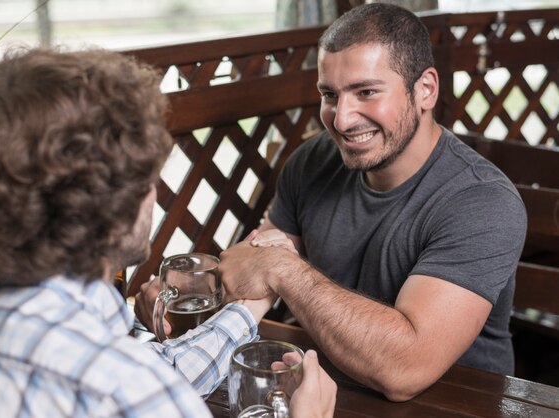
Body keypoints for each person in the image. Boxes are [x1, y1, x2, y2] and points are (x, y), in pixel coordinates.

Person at [0, 48, 335, 417]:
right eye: (147, 176)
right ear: (116, 209)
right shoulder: (134, 394)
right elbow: (136, 386)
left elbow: (153, 372)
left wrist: (249, 306)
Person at [216, 3, 527, 402]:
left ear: (425, 90)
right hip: (327, 391)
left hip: (452, 404)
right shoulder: (311, 161)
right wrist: (191, 288)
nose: (342, 120)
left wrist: (284, 270)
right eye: (330, 94)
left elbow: (405, 368)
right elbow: (253, 272)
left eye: (366, 92)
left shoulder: (482, 201)